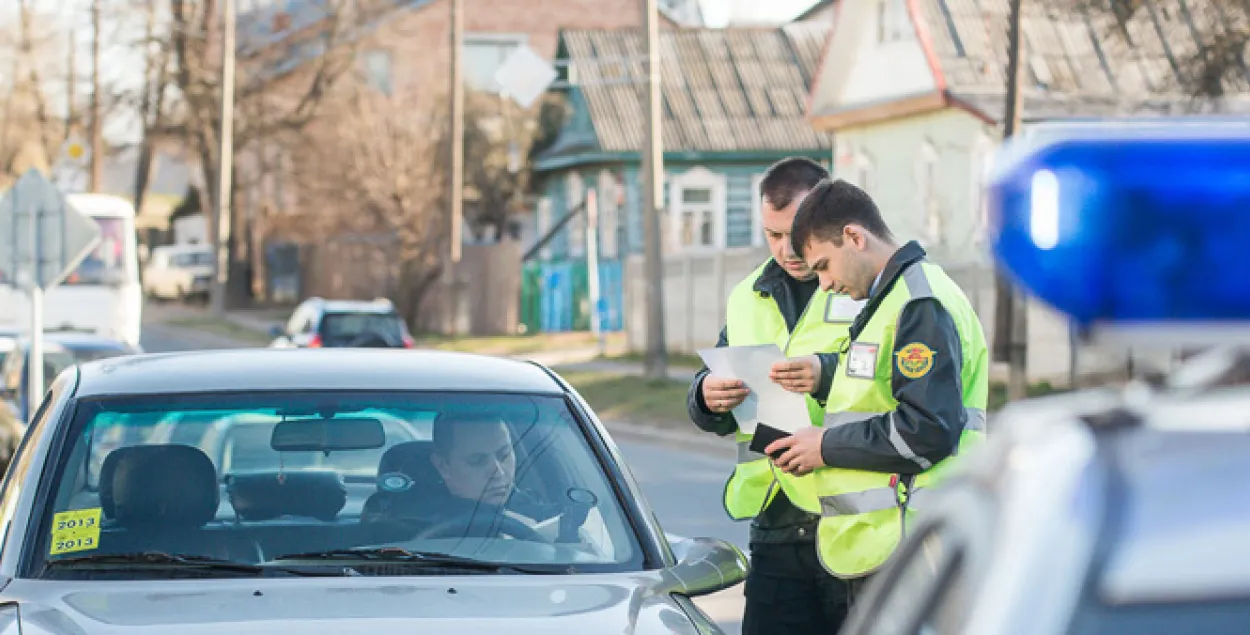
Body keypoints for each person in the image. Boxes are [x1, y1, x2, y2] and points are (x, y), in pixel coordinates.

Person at [764, 178, 989, 599]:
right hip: (897, 545)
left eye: (823, 266)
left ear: (854, 236)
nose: (825, 285)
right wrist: (826, 373)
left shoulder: (918, 302)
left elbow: (926, 429)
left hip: (911, 544)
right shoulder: (893, 299)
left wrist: (825, 446)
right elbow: (883, 385)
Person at [687, 157, 861, 634]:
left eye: (795, 232)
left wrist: (823, 373)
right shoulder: (748, 294)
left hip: (855, 523)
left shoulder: (866, 286)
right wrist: (707, 396)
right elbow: (717, 384)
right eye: (772, 234)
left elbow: (887, 381)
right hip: (777, 523)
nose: (785, 249)